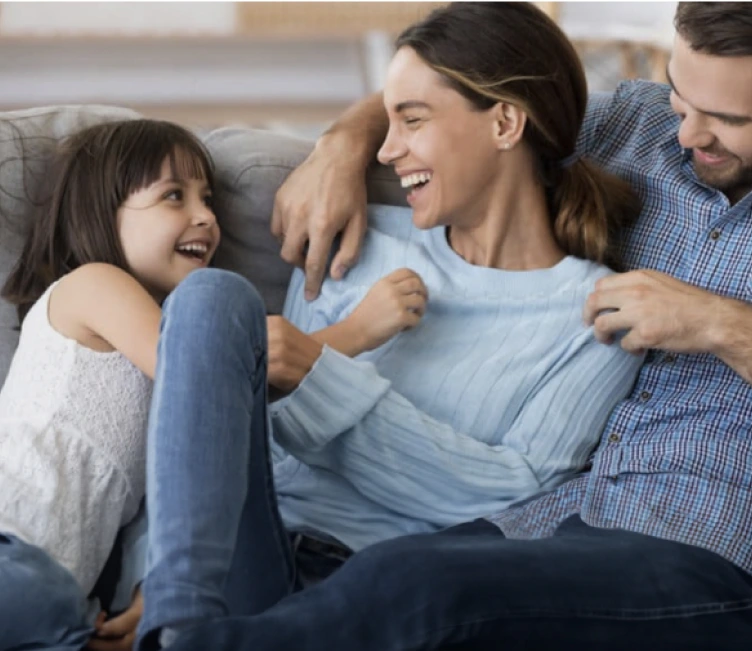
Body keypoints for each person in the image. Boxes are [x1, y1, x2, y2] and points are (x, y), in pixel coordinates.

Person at [194, 1, 752, 650]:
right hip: (542, 518)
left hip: (710, 545)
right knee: (379, 569)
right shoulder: (635, 122)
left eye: (727, 121)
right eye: (680, 95)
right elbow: (471, 91)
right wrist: (341, 144)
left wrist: (724, 325)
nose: (686, 134)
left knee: (411, 589)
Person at [134, 2, 644, 648]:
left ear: (507, 122)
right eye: (387, 119)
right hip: (248, 559)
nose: (386, 148)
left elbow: (506, 498)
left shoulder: (597, 312)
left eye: (413, 119)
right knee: (211, 297)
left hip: (376, 597)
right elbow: (232, 440)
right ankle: (177, 625)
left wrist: (320, 375)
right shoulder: (356, 238)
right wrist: (146, 564)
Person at [0, 119, 220, 650]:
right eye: (174, 196)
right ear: (101, 215)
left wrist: (151, 588)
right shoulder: (95, 285)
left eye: (208, 199)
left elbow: (158, 505)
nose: (206, 217)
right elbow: (216, 378)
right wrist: (348, 336)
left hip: (58, 598)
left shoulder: (152, 340)